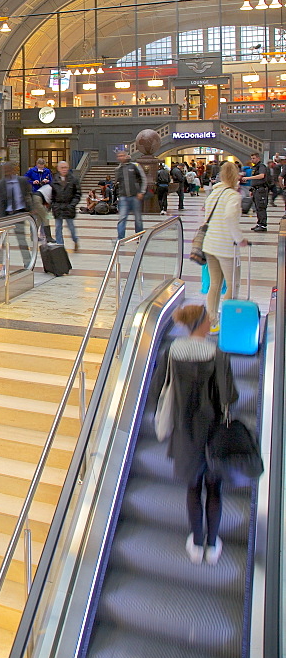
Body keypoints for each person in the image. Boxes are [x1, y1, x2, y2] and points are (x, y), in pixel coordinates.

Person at [151, 304, 237, 564]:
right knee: (214, 489)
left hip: (185, 432)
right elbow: (229, 396)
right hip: (213, 432)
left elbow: (156, 391)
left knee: (192, 488)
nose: (211, 321)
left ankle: (196, 543)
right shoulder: (218, 354)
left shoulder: (171, 352)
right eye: (208, 318)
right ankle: (212, 546)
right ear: (200, 323)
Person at [201, 160, 247, 330]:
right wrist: (239, 238)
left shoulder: (213, 193)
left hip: (210, 245)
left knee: (215, 284)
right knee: (233, 285)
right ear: (235, 176)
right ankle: (227, 321)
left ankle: (212, 322)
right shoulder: (233, 196)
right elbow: (229, 218)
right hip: (226, 247)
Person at [0, 162, 33, 264]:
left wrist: (31, 210)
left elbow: (28, 195)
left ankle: (28, 262)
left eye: (8, 169)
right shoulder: (0, 184)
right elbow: (0, 202)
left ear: (13, 170)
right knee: (1, 241)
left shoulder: (22, 181)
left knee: (21, 239)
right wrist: (0, 220)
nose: (7, 172)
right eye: (5, 170)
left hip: (19, 214)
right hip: (6, 215)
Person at [114, 150, 147, 240]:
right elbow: (118, 182)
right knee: (122, 218)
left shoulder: (135, 166)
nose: (121, 157)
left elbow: (143, 179)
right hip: (123, 197)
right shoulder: (118, 169)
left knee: (138, 218)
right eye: (119, 156)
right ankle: (120, 238)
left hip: (135, 196)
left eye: (122, 155)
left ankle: (139, 236)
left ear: (126, 156)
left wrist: (141, 192)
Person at [51, 160, 81, 251]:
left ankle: (75, 240)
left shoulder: (73, 180)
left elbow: (78, 194)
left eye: (66, 167)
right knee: (58, 227)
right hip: (58, 207)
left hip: (69, 207)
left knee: (71, 227)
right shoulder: (54, 180)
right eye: (62, 168)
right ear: (58, 169)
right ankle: (60, 246)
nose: (64, 169)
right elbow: (51, 195)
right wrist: (53, 205)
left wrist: (72, 205)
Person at [242, 152, 269, 233]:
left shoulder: (261, 166)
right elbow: (255, 181)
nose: (252, 160)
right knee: (257, 207)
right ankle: (259, 223)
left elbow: (261, 176)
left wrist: (248, 178)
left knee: (261, 207)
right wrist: (251, 190)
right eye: (251, 158)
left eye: (254, 158)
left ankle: (263, 225)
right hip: (255, 190)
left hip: (261, 190)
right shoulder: (255, 167)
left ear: (258, 158)